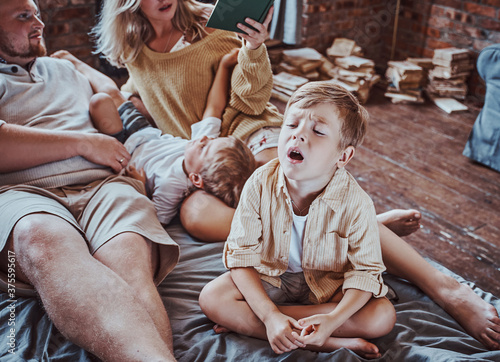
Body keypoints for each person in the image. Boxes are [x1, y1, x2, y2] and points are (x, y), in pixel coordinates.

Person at [0, 1, 179, 361]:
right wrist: (84, 142)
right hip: (23, 194)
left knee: (127, 259)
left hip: (104, 186)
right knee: (40, 237)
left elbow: (115, 101)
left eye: (37, 14)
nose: (38, 24)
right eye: (24, 17)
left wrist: (79, 66)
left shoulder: (65, 70)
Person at [199, 81, 396, 359]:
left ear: (343, 155)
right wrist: (268, 316)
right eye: (291, 125)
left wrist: (334, 318)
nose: (298, 136)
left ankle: (262, 324)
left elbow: (365, 273)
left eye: (317, 131)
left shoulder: (357, 202)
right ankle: (321, 341)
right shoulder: (259, 183)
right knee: (211, 297)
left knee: (382, 316)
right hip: (272, 276)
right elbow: (240, 256)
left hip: (329, 286)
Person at [92, 0, 284, 240]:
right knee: (194, 216)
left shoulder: (214, 23)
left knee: (276, 178)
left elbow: (252, 100)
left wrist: (253, 48)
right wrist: (131, 98)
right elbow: (146, 85)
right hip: (199, 156)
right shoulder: (133, 47)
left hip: (244, 129)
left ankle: (293, 228)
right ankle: (272, 232)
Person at [59, 48, 256, 225]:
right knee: (111, 93)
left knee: (99, 103)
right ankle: (73, 62)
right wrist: (224, 66)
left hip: (120, 150)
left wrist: (140, 188)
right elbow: (214, 108)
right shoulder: (203, 148)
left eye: (205, 147)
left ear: (196, 179)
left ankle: (66, 96)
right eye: (212, 139)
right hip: (143, 133)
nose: (204, 139)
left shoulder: (172, 186)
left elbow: (157, 219)